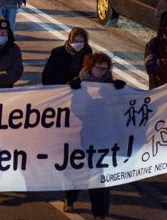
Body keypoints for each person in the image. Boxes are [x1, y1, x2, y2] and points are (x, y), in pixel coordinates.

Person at [65, 53, 127, 217]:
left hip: (105, 137)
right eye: (98, 68)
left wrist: (120, 90)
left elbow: (118, 108)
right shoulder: (79, 83)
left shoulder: (111, 85)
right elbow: (73, 109)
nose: (101, 71)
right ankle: (70, 198)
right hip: (83, 135)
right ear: (90, 67)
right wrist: (76, 92)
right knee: (79, 170)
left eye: (105, 69)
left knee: (99, 176)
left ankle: (99, 213)